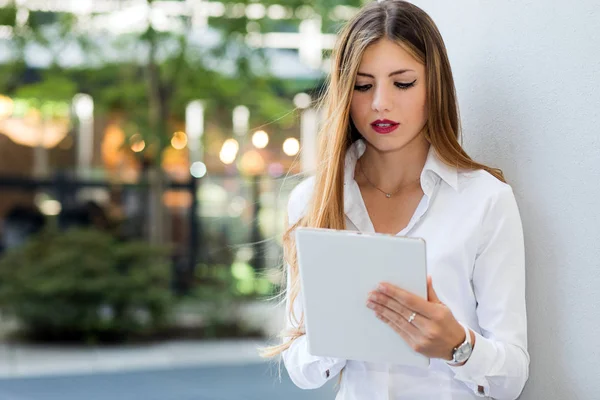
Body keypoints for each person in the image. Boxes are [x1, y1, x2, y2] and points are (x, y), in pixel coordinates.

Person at [261, 1, 529, 399]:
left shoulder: (485, 201)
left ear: (433, 86)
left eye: (402, 83)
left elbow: (513, 377)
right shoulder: (313, 200)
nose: (380, 103)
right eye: (363, 85)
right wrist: (342, 331)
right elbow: (301, 367)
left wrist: (457, 346)